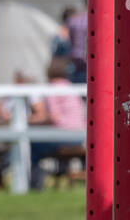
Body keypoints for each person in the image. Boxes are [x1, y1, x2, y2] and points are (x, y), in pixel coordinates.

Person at [28, 57, 87, 191]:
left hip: (66, 136)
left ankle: (35, 184)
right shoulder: (68, 85)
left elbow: (55, 117)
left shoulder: (53, 88)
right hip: (79, 136)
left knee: (34, 146)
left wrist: (32, 121)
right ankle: (60, 174)